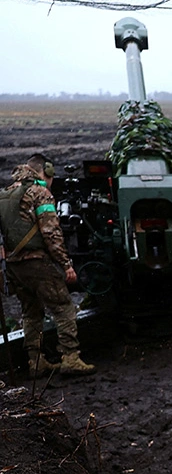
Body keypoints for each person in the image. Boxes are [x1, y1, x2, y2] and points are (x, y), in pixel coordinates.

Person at [0, 154, 94, 378]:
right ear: (46, 172)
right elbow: (51, 233)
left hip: (13, 265)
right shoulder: (40, 193)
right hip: (36, 262)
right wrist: (66, 264)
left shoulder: (6, 193)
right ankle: (70, 358)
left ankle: (36, 361)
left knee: (31, 312)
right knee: (63, 307)